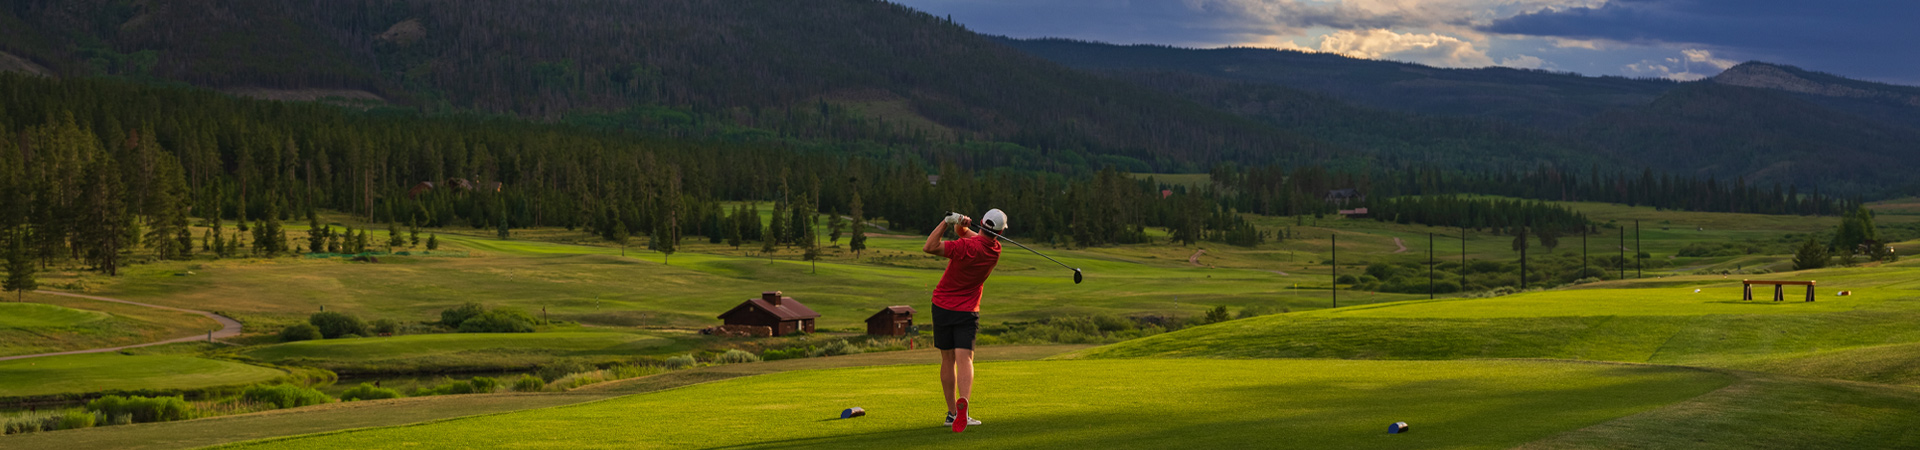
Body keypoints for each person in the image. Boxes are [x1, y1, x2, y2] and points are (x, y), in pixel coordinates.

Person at [923, 209, 1005, 432]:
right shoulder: (995, 250)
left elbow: (929, 246)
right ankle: (964, 409)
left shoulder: (963, 248)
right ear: (998, 233)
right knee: (965, 359)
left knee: (947, 360)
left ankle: (952, 414)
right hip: (967, 311)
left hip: (941, 305)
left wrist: (946, 222)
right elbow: (969, 235)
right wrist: (961, 225)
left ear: (982, 223)